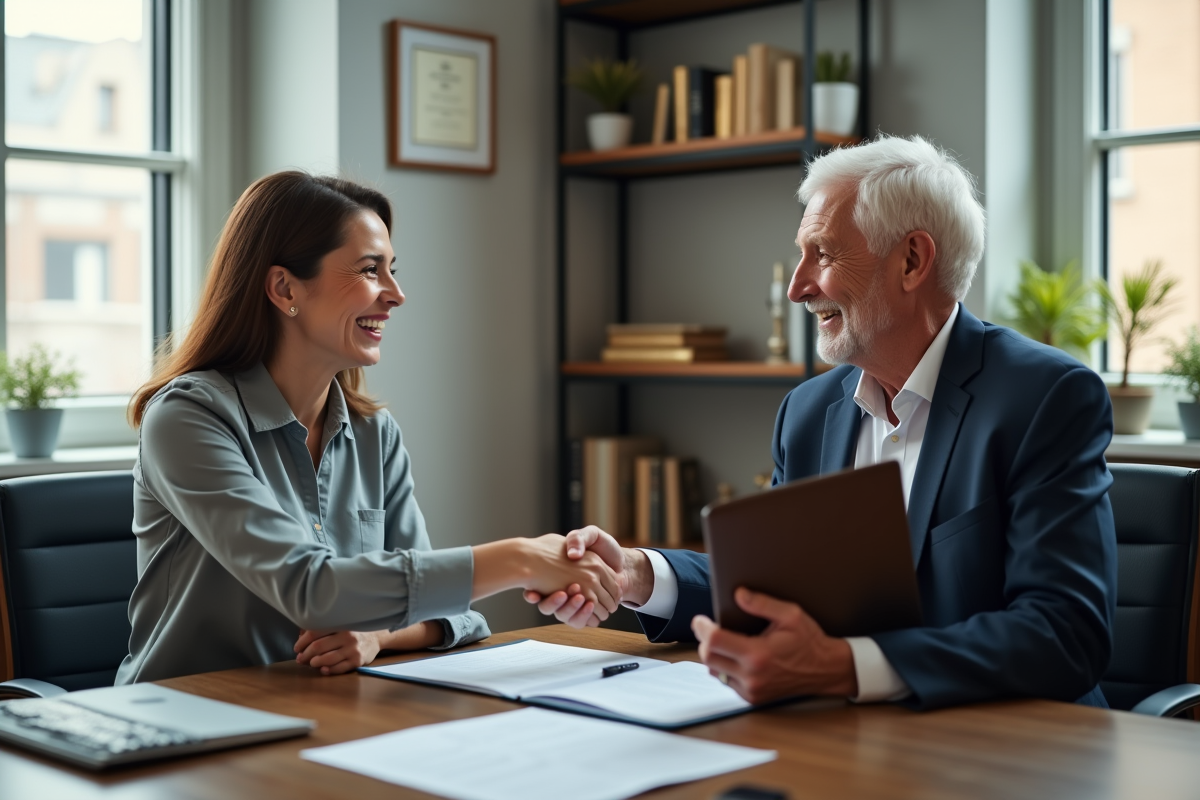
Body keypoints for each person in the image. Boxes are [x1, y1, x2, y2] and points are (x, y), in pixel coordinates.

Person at [528, 135, 1117, 711]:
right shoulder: (808, 413)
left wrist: (843, 667)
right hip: (849, 739)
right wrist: (637, 573)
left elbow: (1064, 634)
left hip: (1014, 750)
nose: (796, 287)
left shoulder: (1046, 398)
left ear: (912, 260)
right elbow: (777, 584)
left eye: (824, 254)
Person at [117, 172, 621, 684]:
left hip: (319, 714)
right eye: (369, 270)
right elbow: (311, 590)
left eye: (392, 270)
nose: (396, 294)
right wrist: (520, 558)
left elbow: (452, 612)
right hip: (182, 724)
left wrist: (378, 635)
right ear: (284, 287)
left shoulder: (373, 432)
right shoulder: (186, 418)